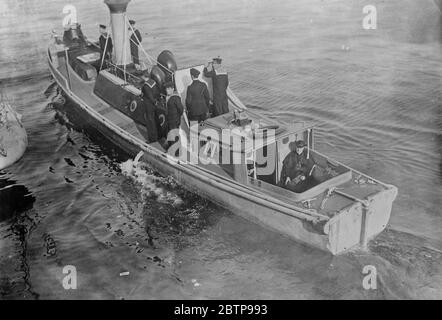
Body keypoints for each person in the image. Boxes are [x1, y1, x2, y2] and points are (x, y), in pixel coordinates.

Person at [140, 73, 159, 143]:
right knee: (155, 120)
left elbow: (149, 96)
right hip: (154, 105)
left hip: (149, 105)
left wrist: (154, 102)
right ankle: (158, 135)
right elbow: (157, 92)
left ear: (144, 76)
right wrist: (156, 101)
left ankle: (152, 139)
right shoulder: (153, 82)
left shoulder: (146, 86)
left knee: (150, 122)